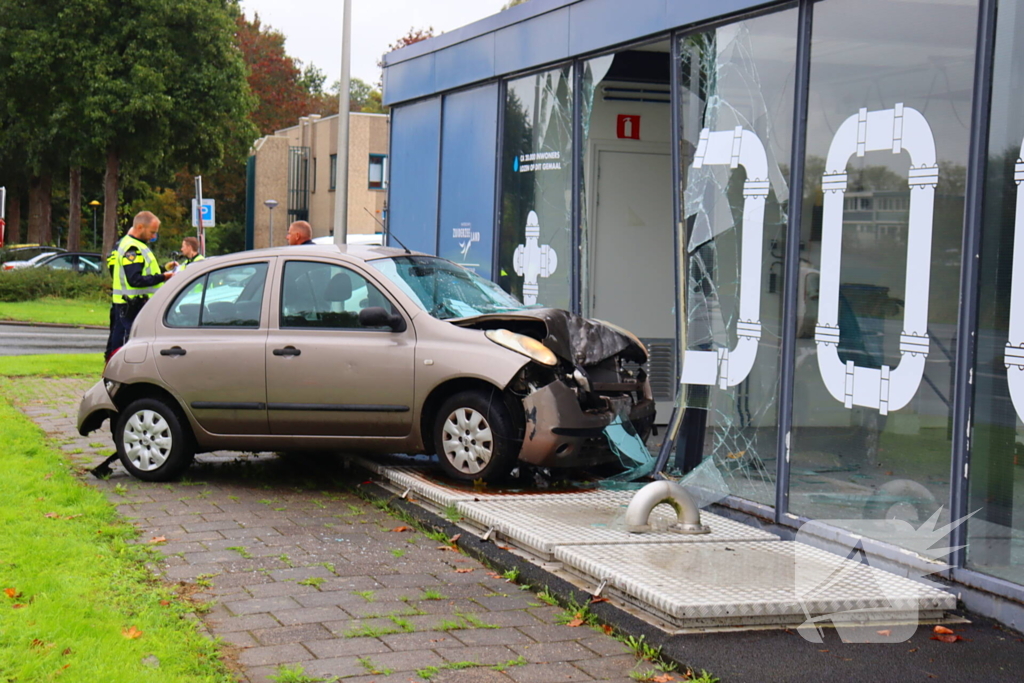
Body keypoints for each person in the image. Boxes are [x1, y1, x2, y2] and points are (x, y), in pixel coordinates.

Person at [105, 211, 174, 361]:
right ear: (140, 227)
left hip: (130, 304)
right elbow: (135, 279)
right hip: (130, 305)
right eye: (152, 232)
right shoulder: (132, 249)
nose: (154, 236)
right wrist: (164, 277)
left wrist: (163, 269)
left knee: (122, 344)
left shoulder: (134, 244)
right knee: (124, 347)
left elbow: (144, 272)